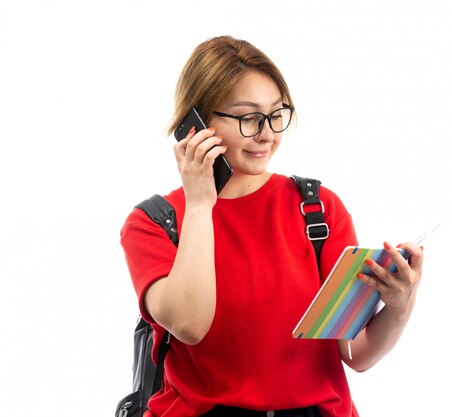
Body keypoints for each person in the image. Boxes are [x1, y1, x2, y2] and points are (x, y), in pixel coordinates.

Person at [120, 35, 424, 417]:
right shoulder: (154, 223)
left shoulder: (317, 210)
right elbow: (190, 325)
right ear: (195, 124)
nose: (267, 134)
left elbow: (356, 353)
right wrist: (200, 204)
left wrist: (397, 306)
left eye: (277, 114)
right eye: (248, 118)